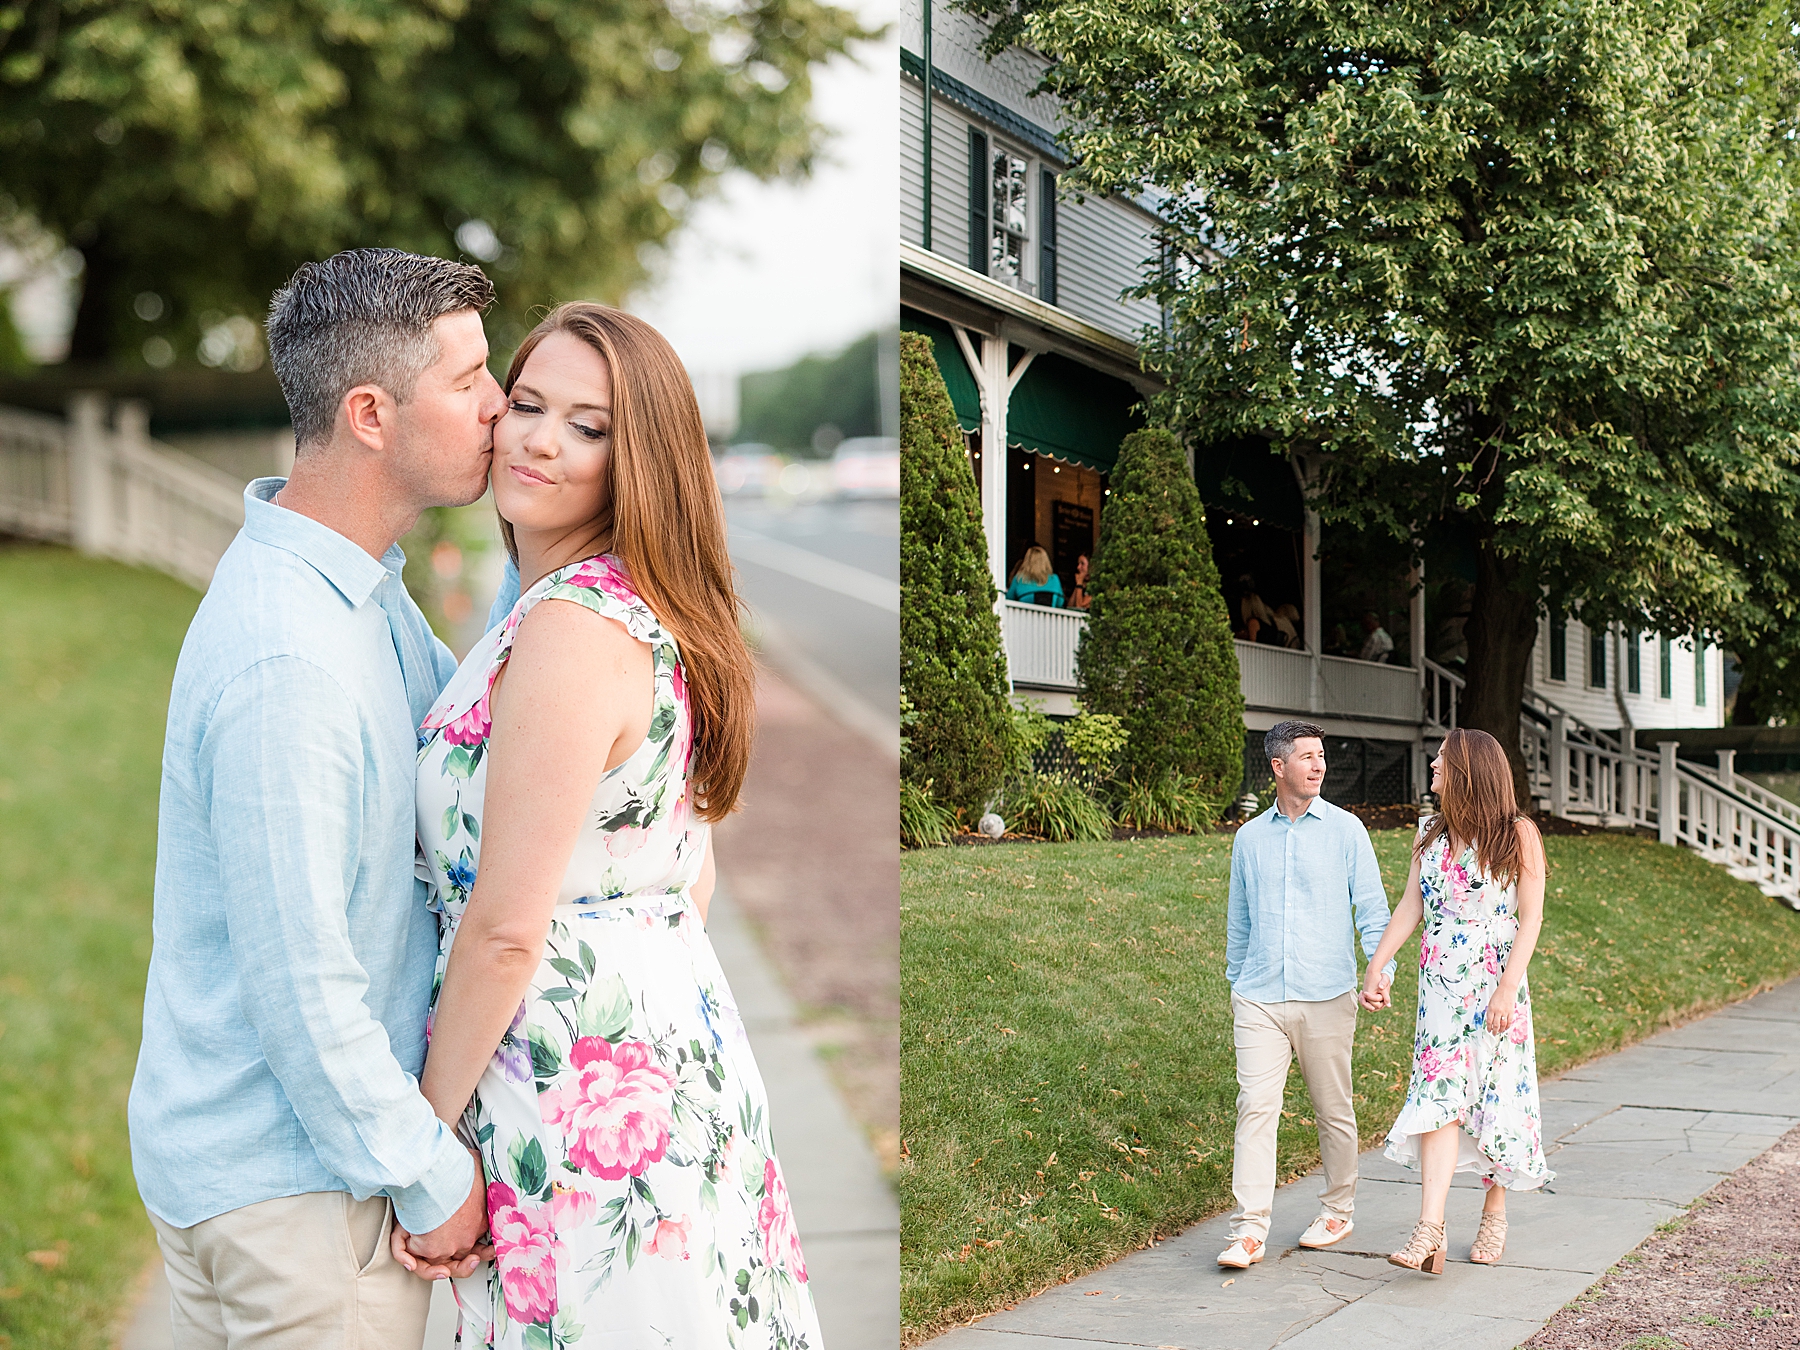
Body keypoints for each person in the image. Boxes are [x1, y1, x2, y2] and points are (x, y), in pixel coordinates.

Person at [395, 303, 822, 1348]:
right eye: (528, 403)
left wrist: (419, 1139)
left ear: (640, 462)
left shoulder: (573, 631)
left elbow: (505, 928)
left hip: (573, 1088)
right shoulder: (635, 607)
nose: (540, 437)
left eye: (588, 427)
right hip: (664, 1054)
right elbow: (692, 882)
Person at [128, 249, 503, 1346]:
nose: (498, 404)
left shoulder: (355, 591)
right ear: (372, 414)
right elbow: (304, 992)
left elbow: (468, 746)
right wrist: (433, 1178)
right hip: (296, 1202)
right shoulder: (287, 660)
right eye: (468, 378)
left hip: (285, 1179)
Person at [1360, 727, 1551, 1273]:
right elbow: (1410, 906)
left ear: (1467, 772)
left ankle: (1494, 1212)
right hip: (1440, 992)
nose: (1433, 768)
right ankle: (1430, 1230)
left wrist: (1509, 989)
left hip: (1495, 988)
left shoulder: (1518, 835)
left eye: (1441, 761)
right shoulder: (1430, 833)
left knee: (1494, 1100)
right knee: (1437, 1101)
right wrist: (1378, 963)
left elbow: (1530, 918)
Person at [1218, 720, 1395, 1268]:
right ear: (1277, 766)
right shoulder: (1249, 838)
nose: (1319, 765)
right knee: (1255, 1109)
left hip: (1326, 995)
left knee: (1332, 1109)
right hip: (1259, 998)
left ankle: (1338, 1209)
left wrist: (1378, 970)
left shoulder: (1347, 831)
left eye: (1322, 756)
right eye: (1307, 757)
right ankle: (1248, 1230)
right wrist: (1236, 981)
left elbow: (1372, 909)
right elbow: (1239, 920)